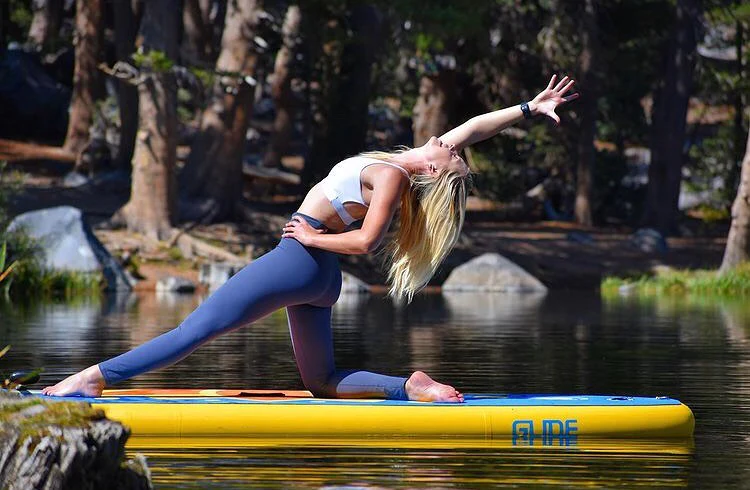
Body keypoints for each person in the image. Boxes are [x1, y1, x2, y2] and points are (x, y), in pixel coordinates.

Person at [43, 75, 578, 402]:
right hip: (318, 279)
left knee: (192, 331)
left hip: (303, 258)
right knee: (321, 381)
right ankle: (408, 387)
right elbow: (478, 126)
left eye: (453, 153)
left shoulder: (392, 175)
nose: (451, 141)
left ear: (437, 172)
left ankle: (92, 378)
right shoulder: (406, 161)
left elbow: (368, 242)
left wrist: (312, 239)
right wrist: (530, 108)